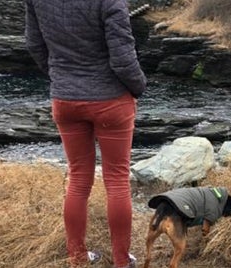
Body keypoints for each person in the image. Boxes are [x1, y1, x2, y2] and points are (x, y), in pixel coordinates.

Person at [24, 0, 147, 267]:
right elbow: (123, 60)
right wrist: (138, 88)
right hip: (111, 100)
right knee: (116, 180)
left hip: (65, 100)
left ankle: (78, 259)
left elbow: (34, 44)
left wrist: (62, 78)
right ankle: (121, 261)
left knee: (78, 179)